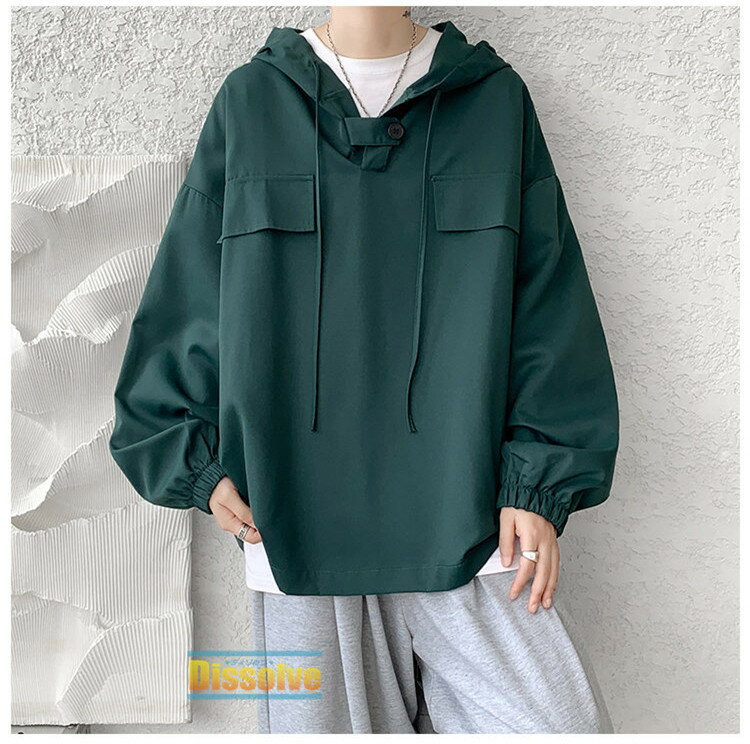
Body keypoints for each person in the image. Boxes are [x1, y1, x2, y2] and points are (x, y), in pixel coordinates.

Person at [109, 6, 619, 734]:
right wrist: (193, 464)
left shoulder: (494, 100)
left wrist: (540, 477)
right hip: (293, 528)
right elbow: (189, 298)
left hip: (477, 522)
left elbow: (547, 303)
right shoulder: (252, 101)